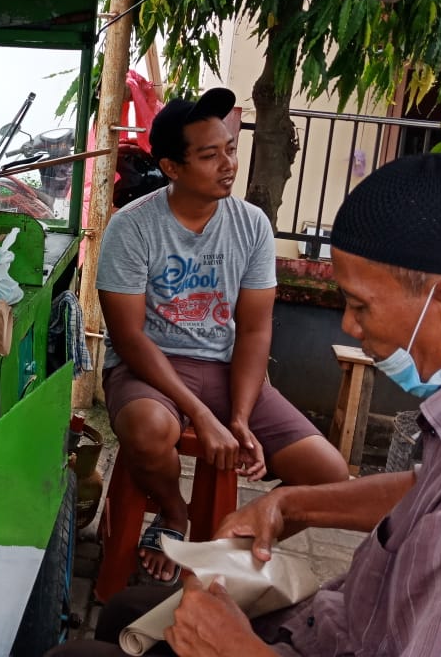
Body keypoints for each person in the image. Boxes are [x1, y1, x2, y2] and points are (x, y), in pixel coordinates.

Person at [52, 152, 441, 656]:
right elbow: (439, 486)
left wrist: (238, 651)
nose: (349, 325)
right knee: (131, 610)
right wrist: (287, 505)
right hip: (339, 624)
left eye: (360, 305)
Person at [96, 89, 348, 585]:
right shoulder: (132, 227)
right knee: (148, 430)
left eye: (230, 148)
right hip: (150, 370)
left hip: (227, 370)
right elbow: (129, 338)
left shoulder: (251, 225)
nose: (228, 164)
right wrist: (202, 415)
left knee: (330, 476)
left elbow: (255, 328)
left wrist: (237, 414)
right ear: (172, 167)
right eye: (210, 155)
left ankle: (227, 549)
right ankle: (175, 514)